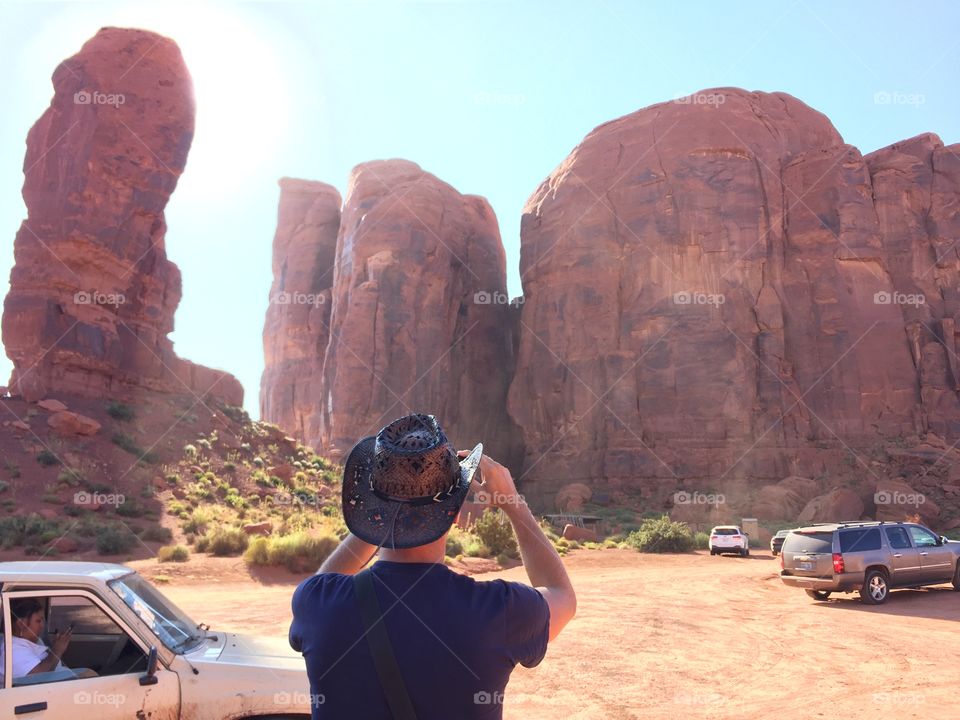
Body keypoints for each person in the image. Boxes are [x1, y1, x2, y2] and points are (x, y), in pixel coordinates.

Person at [289, 413, 577, 719]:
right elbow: (563, 596)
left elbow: (324, 583)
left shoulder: (316, 604)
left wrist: (376, 519)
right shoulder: (498, 611)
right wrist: (513, 503)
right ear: (453, 515)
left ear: (373, 510)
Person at [0, 598, 74, 684]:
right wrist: (57, 650)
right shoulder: (12, 650)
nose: (42, 625)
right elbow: (39, 677)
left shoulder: (32, 640)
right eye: (38, 621)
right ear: (21, 624)